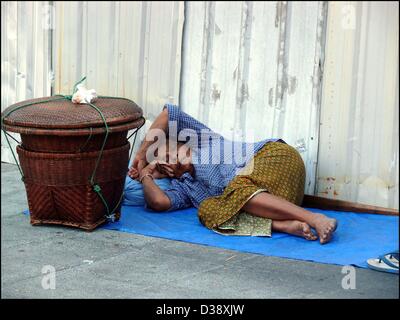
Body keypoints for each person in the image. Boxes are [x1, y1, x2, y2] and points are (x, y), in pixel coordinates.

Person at [128, 104, 337, 244]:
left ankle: (315, 218)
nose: (165, 162)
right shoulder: (185, 187)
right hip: (273, 202)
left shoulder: (203, 140)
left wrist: (141, 156)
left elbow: (169, 113)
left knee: (236, 190)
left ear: (178, 142)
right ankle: (283, 225)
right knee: (207, 211)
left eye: (166, 152)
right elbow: (159, 202)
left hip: (275, 159)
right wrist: (147, 174)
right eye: (160, 164)